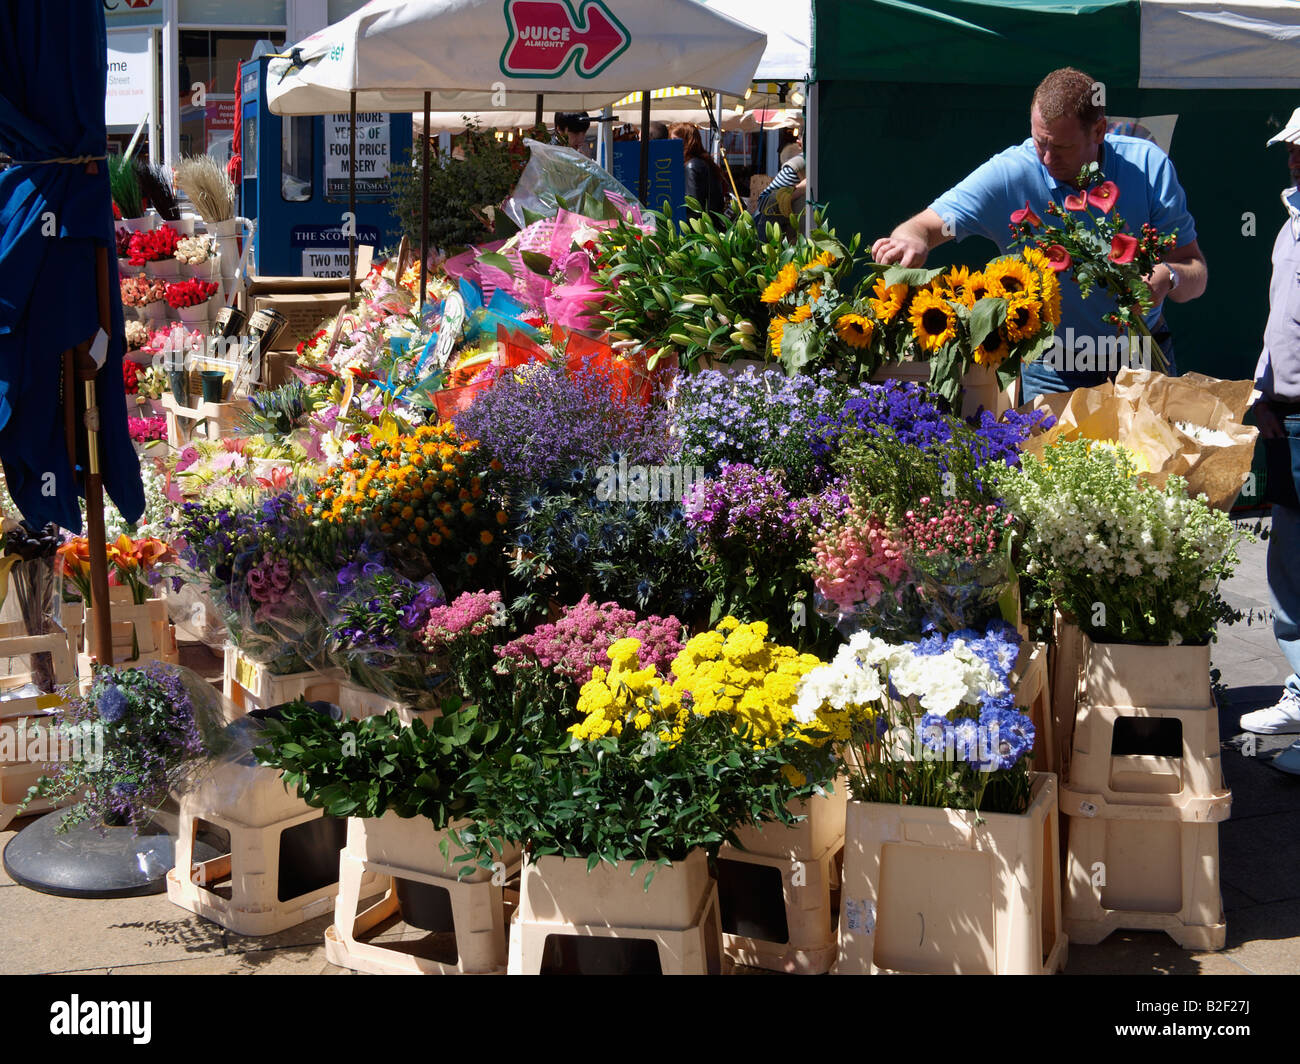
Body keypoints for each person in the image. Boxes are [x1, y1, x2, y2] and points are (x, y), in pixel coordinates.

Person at [872, 67, 1208, 403]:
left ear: (1099, 131)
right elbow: (926, 226)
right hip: (1053, 367)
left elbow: (1196, 272)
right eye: (1038, 142)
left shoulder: (1149, 166)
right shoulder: (1010, 172)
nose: (1047, 158)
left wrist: (1169, 276)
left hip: (1140, 361)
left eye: (1061, 147)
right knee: (1051, 457)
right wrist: (912, 238)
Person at [1240, 107, 1300, 770]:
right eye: (1289, 148)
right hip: (1285, 419)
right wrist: (1262, 391)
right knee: (1288, 565)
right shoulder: (1290, 227)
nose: (1292, 158)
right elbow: (1279, 320)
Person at [669, 122, 725, 215]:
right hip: (710, 221)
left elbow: (693, 204)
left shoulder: (692, 165)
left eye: (675, 140)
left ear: (687, 141)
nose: (671, 144)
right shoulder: (704, 161)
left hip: (698, 225)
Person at [755, 140, 807, 233]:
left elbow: (762, 202)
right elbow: (763, 202)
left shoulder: (799, 163)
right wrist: (797, 190)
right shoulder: (799, 163)